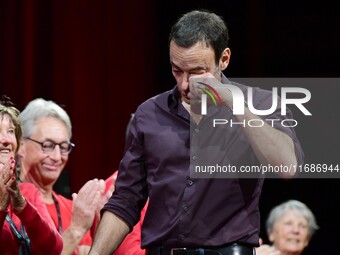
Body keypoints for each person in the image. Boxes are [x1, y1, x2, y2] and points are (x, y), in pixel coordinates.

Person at [89, 10, 304, 255]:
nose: (184, 84)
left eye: (196, 72)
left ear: (224, 59)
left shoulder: (261, 103)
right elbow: (126, 200)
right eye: (177, 70)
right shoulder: (149, 114)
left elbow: (287, 166)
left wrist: (232, 102)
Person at [17, 98, 106, 255]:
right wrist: (76, 230)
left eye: (64, 147)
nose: (57, 157)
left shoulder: (75, 211)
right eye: (47, 146)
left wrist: (101, 229)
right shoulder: (9, 204)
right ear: (21, 144)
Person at [0, 99, 63, 255]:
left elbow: (54, 249)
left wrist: (23, 207)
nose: (7, 140)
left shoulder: (27, 192)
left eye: (11, 131)